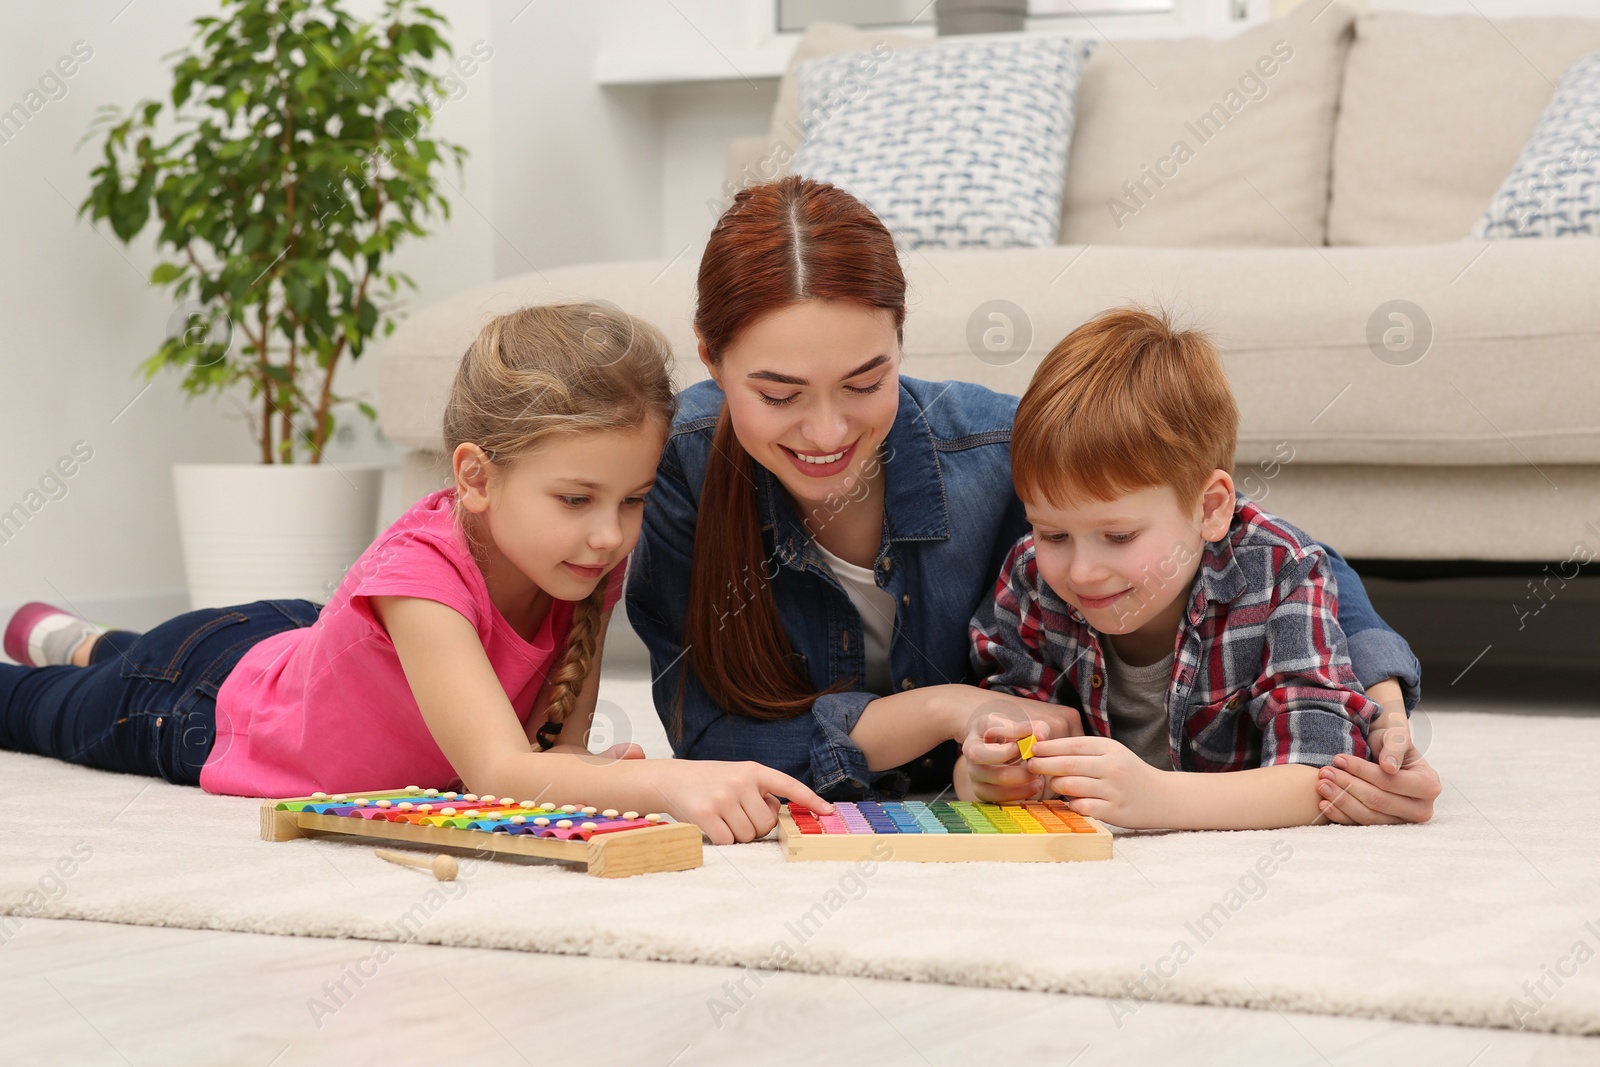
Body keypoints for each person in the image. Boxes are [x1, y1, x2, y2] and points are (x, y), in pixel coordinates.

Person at [627, 176, 1438, 822]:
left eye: (866, 380)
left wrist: (1380, 706)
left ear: (902, 343)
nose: (827, 429)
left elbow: (1275, 556)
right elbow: (715, 741)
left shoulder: (993, 448)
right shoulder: (685, 469)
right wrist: (948, 709)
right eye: (778, 394)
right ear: (712, 360)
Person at [0, 304, 829, 845]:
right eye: (576, 496)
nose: (610, 533)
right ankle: (79, 652)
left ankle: (83, 639)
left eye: (636, 499)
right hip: (201, 703)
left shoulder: (578, 556)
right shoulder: (419, 579)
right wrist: (666, 783)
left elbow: (552, 758)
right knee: (36, 709)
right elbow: (499, 774)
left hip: (292, 641)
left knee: (128, 654)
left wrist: (599, 774)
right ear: (474, 475)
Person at [962, 307, 1425, 828]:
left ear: (1210, 509)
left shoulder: (1280, 571)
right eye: (1053, 534)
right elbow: (994, 736)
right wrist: (987, 772)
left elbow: (1323, 775)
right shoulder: (1030, 576)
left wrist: (1158, 798)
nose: (1083, 571)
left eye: (1118, 536)